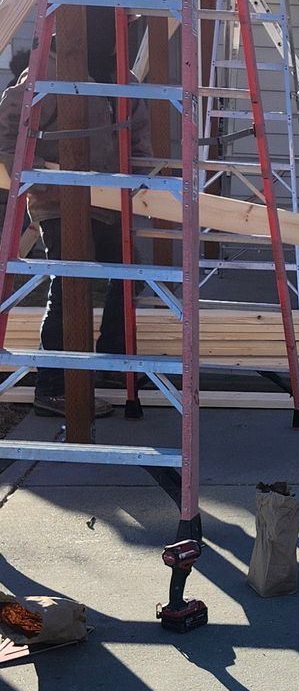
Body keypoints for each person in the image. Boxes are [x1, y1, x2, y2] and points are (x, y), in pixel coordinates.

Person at [0, 29, 151, 416]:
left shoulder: (123, 80)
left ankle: (111, 364)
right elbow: (9, 130)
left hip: (109, 202)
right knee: (70, 286)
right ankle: (52, 388)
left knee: (130, 275)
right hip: (59, 201)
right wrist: (37, 174)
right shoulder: (48, 72)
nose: (118, 36)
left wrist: (139, 184)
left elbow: (138, 139)